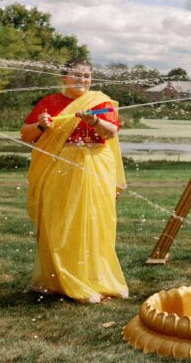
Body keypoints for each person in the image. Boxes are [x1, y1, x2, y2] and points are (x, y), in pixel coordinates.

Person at [20, 59, 127, 303]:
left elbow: (110, 132)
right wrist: (41, 125)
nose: (83, 80)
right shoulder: (50, 102)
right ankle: (60, 280)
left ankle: (96, 279)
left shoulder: (101, 101)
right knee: (61, 222)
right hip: (60, 166)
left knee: (96, 220)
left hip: (95, 164)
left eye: (87, 76)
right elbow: (26, 134)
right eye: (77, 75)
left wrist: (94, 121)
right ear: (64, 78)